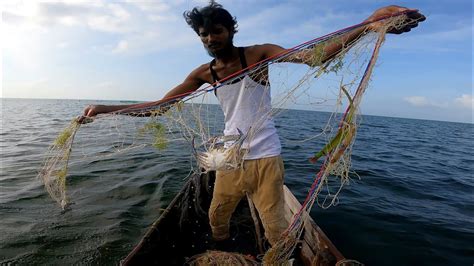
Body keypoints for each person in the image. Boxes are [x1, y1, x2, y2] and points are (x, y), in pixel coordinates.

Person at [81, 2, 424, 246]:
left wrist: (369, 22)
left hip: (265, 157)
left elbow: (314, 57)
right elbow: (160, 107)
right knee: (217, 215)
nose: (210, 39)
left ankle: (278, 257)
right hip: (229, 158)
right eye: (203, 35)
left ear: (230, 31)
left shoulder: (258, 55)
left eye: (216, 31)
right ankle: (224, 250)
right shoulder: (205, 73)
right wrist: (105, 109)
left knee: (275, 225)